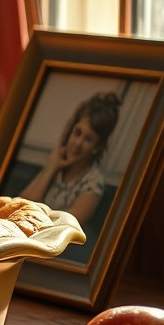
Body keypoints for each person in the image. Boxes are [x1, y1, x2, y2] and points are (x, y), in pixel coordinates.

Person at [20, 91, 123, 226]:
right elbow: (20, 206)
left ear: (97, 147)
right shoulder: (57, 160)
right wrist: (51, 168)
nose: (78, 143)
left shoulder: (93, 184)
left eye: (88, 139)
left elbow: (61, 228)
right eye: (77, 133)